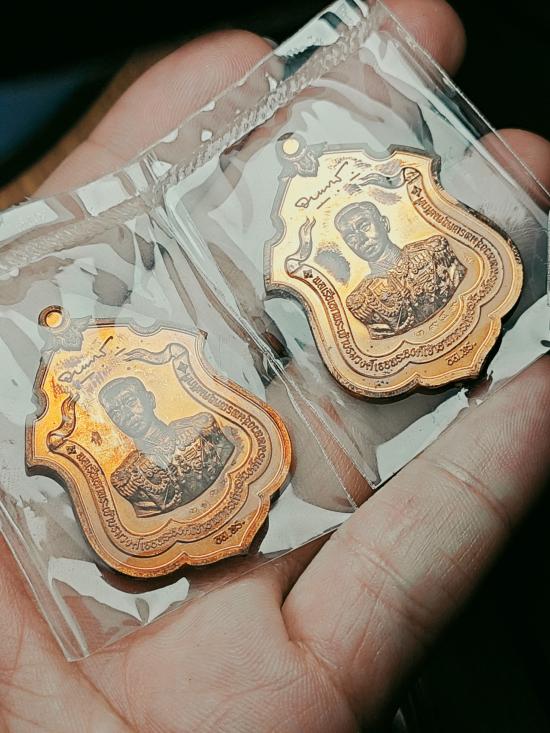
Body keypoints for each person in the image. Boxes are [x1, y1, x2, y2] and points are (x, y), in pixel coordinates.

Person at [1, 3, 549, 731]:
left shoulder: (402, 254)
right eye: (124, 409)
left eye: (364, 225)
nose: (133, 413)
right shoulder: (126, 467)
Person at [98, 376, 234, 516]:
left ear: (150, 399)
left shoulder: (200, 428)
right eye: (115, 413)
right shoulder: (127, 477)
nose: (127, 415)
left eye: (130, 402)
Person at [335, 201, 466, 338]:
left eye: (365, 226)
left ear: (385, 224)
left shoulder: (432, 251)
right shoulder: (361, 300)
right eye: (350, 237)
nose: (361, 239)